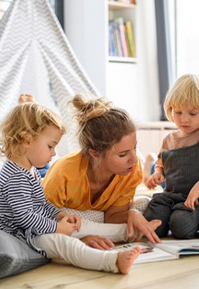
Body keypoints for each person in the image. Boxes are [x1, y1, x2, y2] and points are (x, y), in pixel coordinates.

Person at [0, 102, 141, 274]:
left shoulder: (30, 170)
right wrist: (57, 228)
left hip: (39, 228)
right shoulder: (15, 177)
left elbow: (42, 204)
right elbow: (25, 218)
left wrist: (60, 215)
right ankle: (112, 261)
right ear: (27, 140)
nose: (53, 153)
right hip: (24, 236)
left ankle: (129, 232)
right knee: (65, 244)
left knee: (84, 225)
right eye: (50, 146)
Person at [42, 94, 161, 245]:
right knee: (71, 216)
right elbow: (41, 216)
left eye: (134, 148)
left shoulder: (131, 168)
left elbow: (111, 217)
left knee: (144, 203)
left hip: (96, 216)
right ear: (95, 153)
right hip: (56, 205)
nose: (133, 158)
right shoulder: (65, 171)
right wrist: (80, 240)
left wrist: (132, 213)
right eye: (123, 154)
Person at [143, 74, 199, 239]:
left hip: (193, 199)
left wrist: (197, 189)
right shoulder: (169, 139)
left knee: (181, 227)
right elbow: (161, 164)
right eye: (178, 112)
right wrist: (157, 173)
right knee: (152, 225)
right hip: (169, 195)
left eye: (192, 113)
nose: (184, 119)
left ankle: (174, 215)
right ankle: (148, 164)